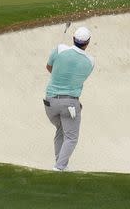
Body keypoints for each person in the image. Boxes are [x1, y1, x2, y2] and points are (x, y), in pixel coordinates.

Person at [43, 26, 95, 173]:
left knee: (61, 130)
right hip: (70, 103)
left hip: (50, 102)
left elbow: (49, 67)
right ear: (88, 42)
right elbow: (76, 78)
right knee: (71, 137)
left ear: (73, 38)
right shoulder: (90, 61)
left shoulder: (59, 49)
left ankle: (60, 165)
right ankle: (59, 167)